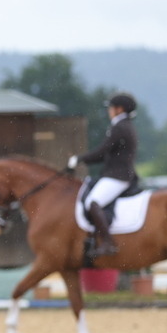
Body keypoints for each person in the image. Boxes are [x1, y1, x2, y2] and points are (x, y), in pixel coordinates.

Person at [67, 92, 139, 256]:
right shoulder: (124, 126)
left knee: (93, 202)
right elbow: (105, 154)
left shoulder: (119, 127)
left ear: (119, 109)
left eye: (111, 108)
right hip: (118, 174)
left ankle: (108, 243)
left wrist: (78, 159)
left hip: (117, 176)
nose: (109, 111)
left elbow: (102, 152)